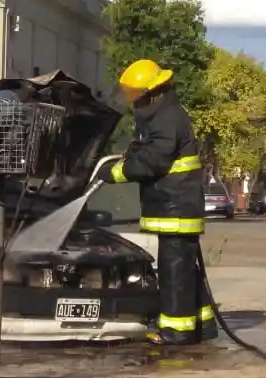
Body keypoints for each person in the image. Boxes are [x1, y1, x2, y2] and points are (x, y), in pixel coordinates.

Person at [92, 59, 216, 346]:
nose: (134, 101)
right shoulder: (159, 115)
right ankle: (202, 325)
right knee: (185, 269)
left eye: (136, 95)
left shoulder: (167, 118)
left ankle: (176, 331)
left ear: (153, 91)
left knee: (174, 271)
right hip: (174, 204)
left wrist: (115, 172)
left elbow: (152, 161)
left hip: (176, 205)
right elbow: (145, 150)